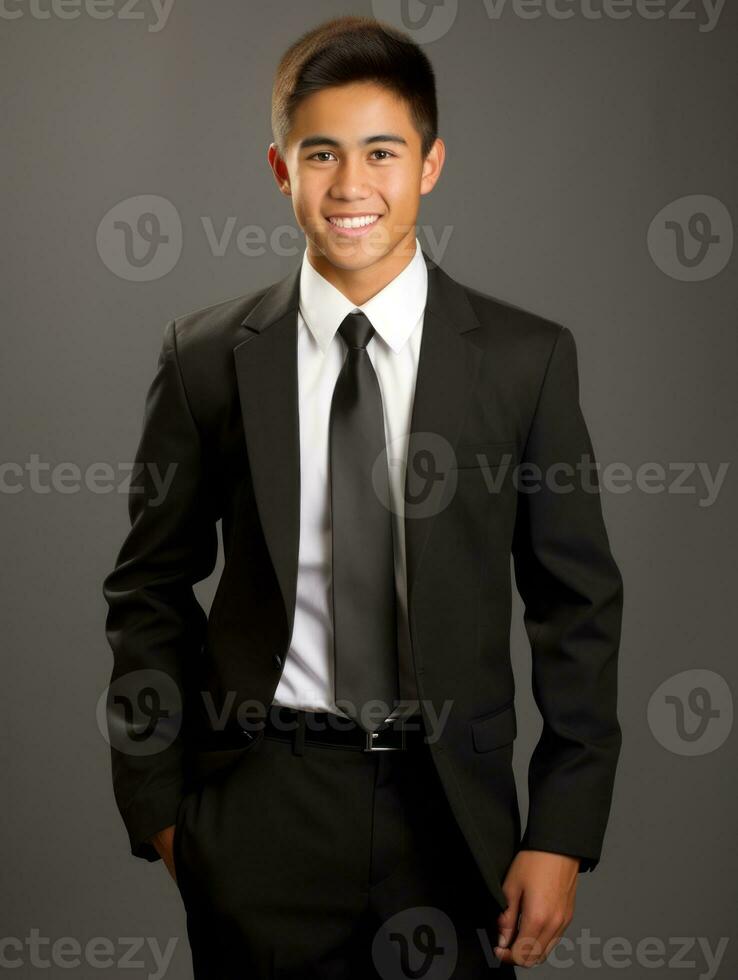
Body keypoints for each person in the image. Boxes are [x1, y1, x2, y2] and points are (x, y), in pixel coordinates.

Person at [102, 14, 624, 979]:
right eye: (321, 154)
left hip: (452, 810)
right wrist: (164, 812)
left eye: (381, 152)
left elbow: (576, 602)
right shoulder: (209, 358)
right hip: (262, 802)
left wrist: (562, 827)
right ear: (279, 168)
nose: (350, 187)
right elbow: (148, 590)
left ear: (429, 164)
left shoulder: (524, 360)